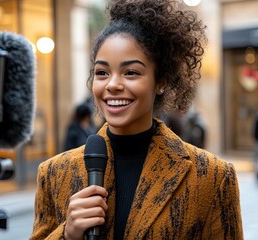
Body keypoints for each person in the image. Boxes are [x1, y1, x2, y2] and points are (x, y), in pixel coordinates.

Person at [31, 0, 243, 239]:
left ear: (161, 81)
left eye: (131, 72)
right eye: (102, 72)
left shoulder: (212, 176)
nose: (112, 85)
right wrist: (67, 234)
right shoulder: (53, 173)